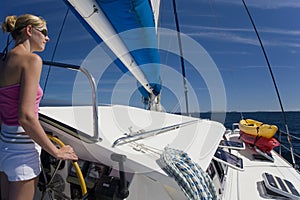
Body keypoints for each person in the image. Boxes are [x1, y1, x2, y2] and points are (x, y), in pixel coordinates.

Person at [0, 14, 78, 200]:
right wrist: (56, 151)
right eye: (44, 32)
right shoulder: (32, 60)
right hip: (23, 150)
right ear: (29, 30)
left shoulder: (2, 62)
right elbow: (26, 116)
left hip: (4, 146)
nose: (47, 37)